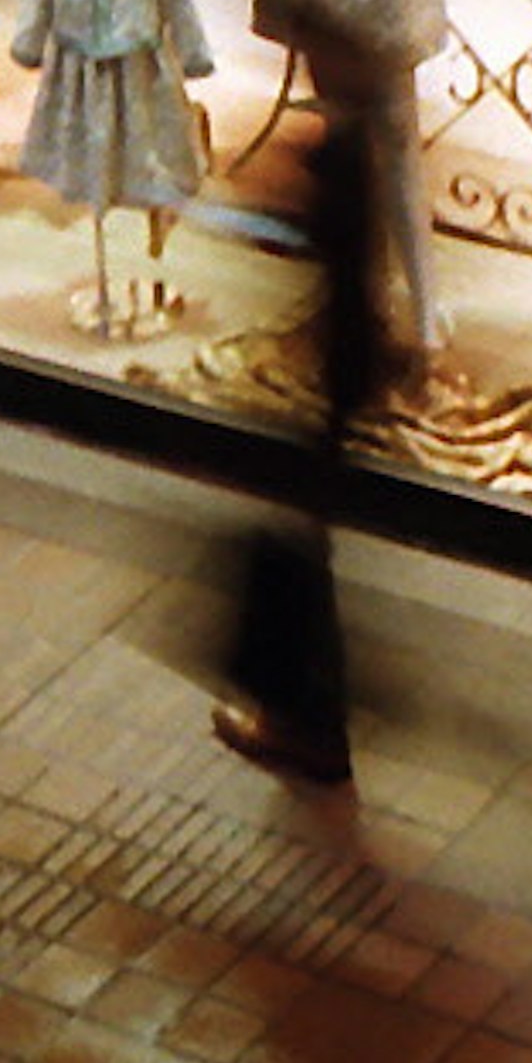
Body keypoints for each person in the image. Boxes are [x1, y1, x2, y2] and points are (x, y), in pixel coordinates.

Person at [211, 55, 394, 787]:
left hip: (331, 385)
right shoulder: (357, 142)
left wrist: (248, 209)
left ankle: (309, 722)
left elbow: (315, 236)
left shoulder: (343, 152)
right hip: (339, 378)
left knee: (293, 556)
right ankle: (312, 716)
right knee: (297, 548)